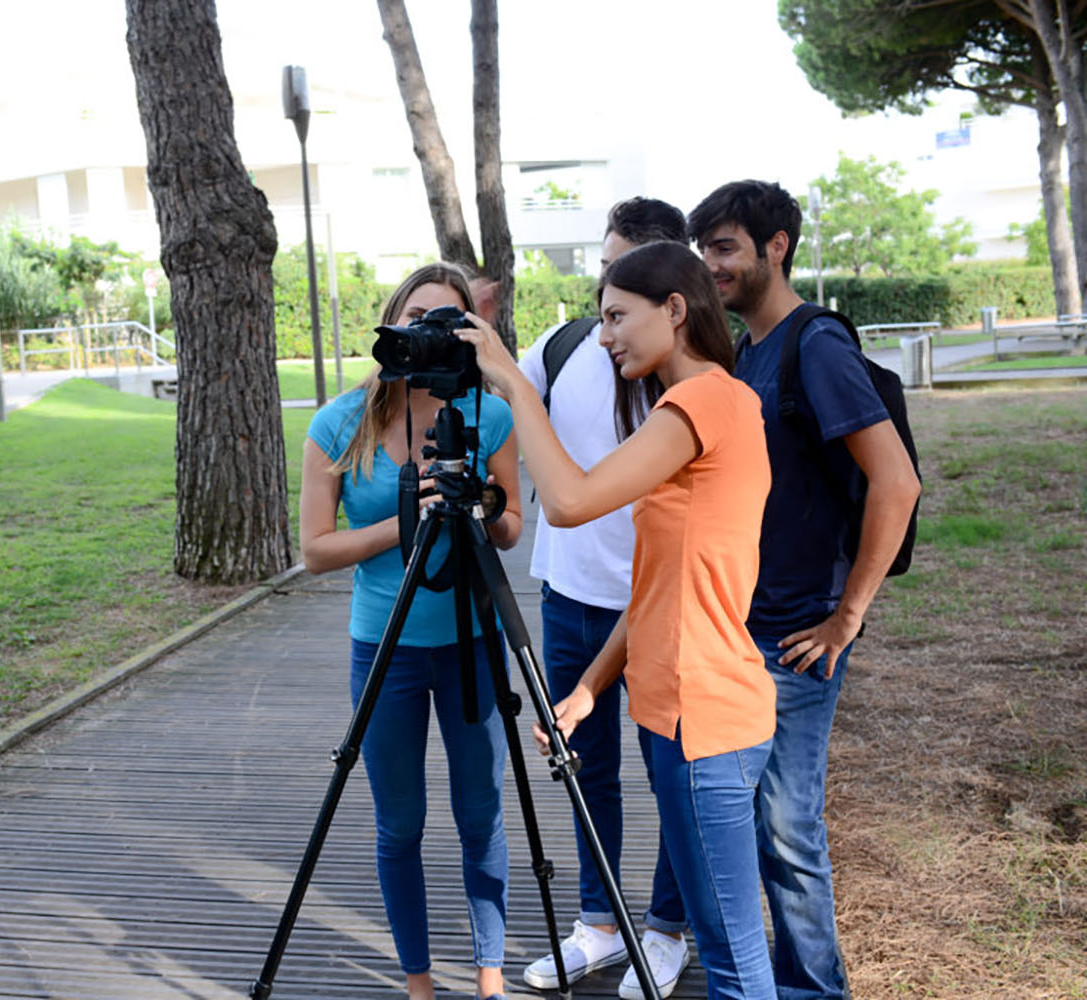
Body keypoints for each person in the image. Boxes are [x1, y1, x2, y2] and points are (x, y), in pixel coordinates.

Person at [455, 240, 778, 999]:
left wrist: (511, 381)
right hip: (684, 712)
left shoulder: (701, 402)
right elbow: (661, 589)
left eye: (616, 317)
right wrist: (593, 689)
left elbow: (566, 504)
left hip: (707, 719)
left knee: (734, 964)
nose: (604, 337)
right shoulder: (709, 404)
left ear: (674, 308)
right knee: (727, 949)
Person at [687, 181, 921, 1000]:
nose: (710, 264)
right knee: (751, 826)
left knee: (786, 832)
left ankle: (815, 991)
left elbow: (895, 482)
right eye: (703, 249)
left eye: (724, 248)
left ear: (775, 246)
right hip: (741, 625)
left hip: (793, 635)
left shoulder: (813, 346)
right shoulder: (748, 349)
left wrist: (845, 617)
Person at [299, 261, 524, 1000]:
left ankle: (490, 974)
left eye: (450, 322)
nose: (432, 335)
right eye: (419, 318)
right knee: (399, 823)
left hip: (471, 640)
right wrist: (406, 523)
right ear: (393, 323)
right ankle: (419, 982)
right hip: (385, 647)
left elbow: (513, 528)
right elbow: (315, 552)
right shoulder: (338, 422)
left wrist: (480, 503)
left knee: (480, 814)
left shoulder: (489, 414)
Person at [516, 198, 694, 1000]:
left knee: (674, 774)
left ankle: (665, 929)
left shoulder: (690, 374)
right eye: (605, 272)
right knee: (584, 767)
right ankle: (599, 922)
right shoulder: (559, 348)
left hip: (660, 603)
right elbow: (488, 416)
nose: (609, 305)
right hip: (571, 597)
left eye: (629, 282)